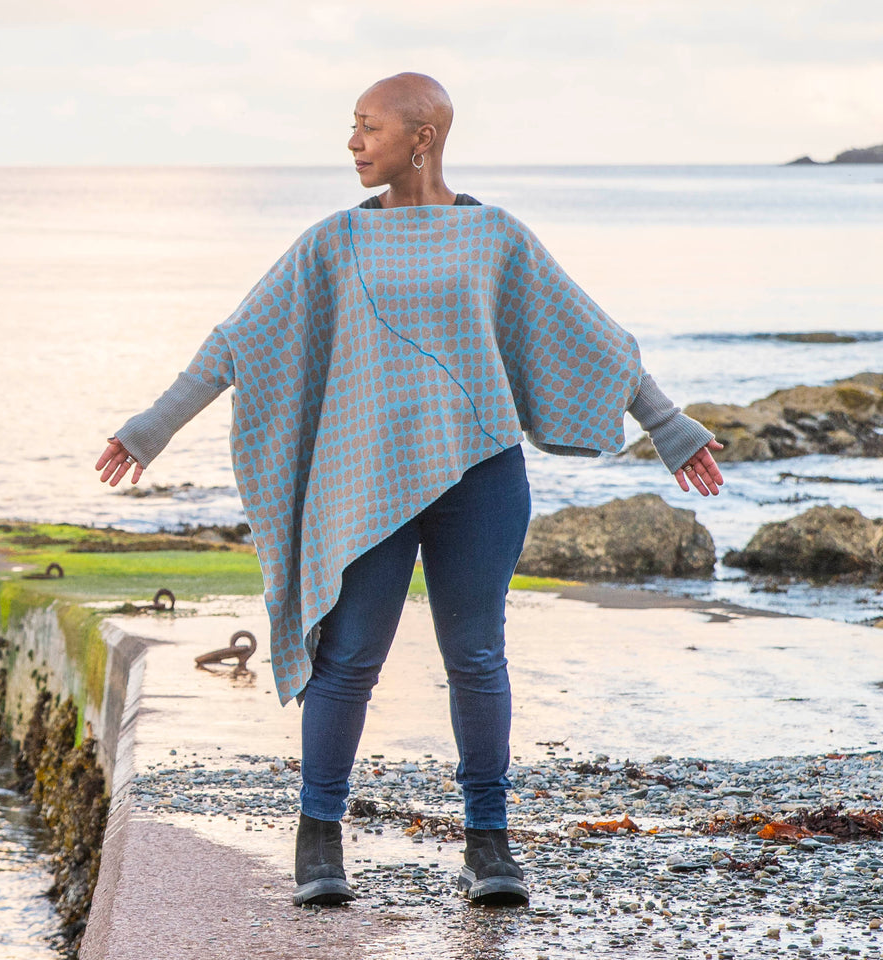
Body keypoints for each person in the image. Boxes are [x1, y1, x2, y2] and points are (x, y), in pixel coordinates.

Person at [96, 72, 724, 909]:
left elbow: (591, 335)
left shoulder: (495, 236)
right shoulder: (333, 243)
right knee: (351, 656)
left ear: (421, 137)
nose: (353, 143)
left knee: (477, 656)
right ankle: (318, 837)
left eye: (368, 127)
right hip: (366, 478)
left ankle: (489, 845)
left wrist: (669, 426)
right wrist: (152, 427)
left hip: (483, 476)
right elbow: (237, 342)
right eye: (352, 128)